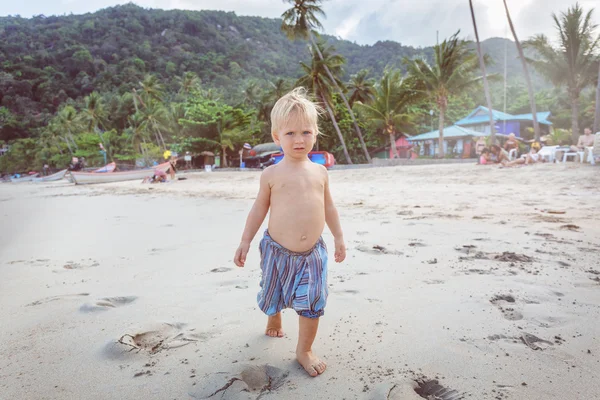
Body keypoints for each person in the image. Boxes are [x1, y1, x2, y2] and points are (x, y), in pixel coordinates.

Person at [233, 88, 346, 378]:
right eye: (291, 133)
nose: (299, 140)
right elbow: (259, 209)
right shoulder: (271, 175)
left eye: (306, 132)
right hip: (277, 251)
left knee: (312, 301)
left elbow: (329, 208)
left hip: (313, 255)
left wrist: (339, 238)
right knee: (274, 291)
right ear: (276, 137)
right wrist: (245, 240)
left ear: (315, 134)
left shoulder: (321, 173)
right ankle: (274, 314)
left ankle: (304, 350)